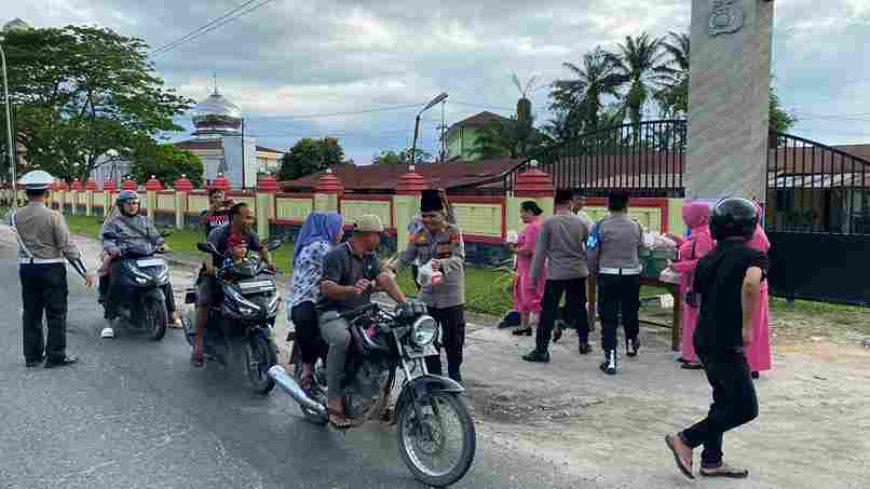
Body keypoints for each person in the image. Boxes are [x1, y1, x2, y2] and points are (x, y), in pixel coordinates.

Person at [665, 198, 767, 480]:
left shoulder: (708, 259)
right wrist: (747, 327)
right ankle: (686, 439)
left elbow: (697, 297)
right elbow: (750, 283)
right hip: (726, 341)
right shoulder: (753, 256)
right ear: (750, 227)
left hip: (704, 338)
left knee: (723, 400)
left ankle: (712, 461)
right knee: (745, 407)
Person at [318, 215, 406, 428]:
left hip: (362, 313)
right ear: (368, 236)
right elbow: (326, 287)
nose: (380, 240)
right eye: (378, 236)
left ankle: (382, 396)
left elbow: (384, 278)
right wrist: (351, 289)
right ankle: (333, 398)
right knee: (342, 339)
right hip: (334, 313)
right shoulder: (337, 255)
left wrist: (405, 304)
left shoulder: (370, 256)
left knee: (391, 338)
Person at [9, 171, 94, 368]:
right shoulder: (54, 216)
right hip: (51, 269)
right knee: (56, 313)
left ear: (26, 193)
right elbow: (67, 246)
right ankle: (56, 355)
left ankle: (32, 356)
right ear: (47, 192)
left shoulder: (14, 216)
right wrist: (84, 271)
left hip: (27, 269)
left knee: (31, 312)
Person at [192, 202, 275, 366]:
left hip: (239, 274)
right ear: (235, 217)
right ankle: (199, 342)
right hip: (216, 274)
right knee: (206, 300)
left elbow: (262, 249)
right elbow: (208, 252)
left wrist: (270, 263)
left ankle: (263, 336)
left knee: (262, 295)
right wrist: (211, 268)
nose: (251, 221)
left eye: (252, 218)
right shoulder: (219, 233)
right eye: (248, 217)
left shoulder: (249, 233)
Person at [397, 189, 467, 382]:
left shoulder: (453, 232)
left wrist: (440, 264)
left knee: (453, 339)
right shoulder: (419, 235)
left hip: (451, 294)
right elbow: (406, 257)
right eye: (424, 215)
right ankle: (434, 375)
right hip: (428, 294)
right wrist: (390, 270)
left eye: (432, 215)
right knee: (426, 335)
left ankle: (454, 373)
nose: (427, 219)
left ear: (443, 213)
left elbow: (458, 259)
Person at [522, 189, 591, 363]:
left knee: (548, 311)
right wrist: (589, 267)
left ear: (555, 203)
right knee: (580, 308)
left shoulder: (548, 223)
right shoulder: (581, 223)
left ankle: (541, 350)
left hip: (556, 274)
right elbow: (590, 248)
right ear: (570, 203)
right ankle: (584, 342)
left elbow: (540, 253)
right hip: (578, 272)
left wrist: (533, 277)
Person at [99, 190, 175, 339]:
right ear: (122, 206)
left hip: (147, 258)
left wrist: (162, 244)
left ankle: (172, 314)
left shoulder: (145, 221)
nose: (133, 206)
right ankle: (109, 322)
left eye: (135, 203)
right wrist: (112, 248)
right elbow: (107, 240)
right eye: (129, 203)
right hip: (124, 258)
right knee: (116, 283)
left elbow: (155, 237)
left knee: (164, 280)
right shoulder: (114, 223)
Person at [588, 190, 645, 375]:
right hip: (631, 274)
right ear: (627, 204)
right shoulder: (636, 225)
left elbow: (591, 251)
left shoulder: (599, 225)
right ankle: (630, 342)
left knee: (608, 317)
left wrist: (593, 271)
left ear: (608, 205)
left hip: (608, 274)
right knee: (630, 311)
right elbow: (640, 249)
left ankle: (610, 358)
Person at [287, 212, 343, 391]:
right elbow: (342, 266)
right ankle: (308, 371)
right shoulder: (320, 246)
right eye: (339, 228)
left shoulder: (318, 245)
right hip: (308, 299)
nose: (342, 232)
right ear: (329, 228)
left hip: (322, 297)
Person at [667, 201, 716, 369]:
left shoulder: (704, 235)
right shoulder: (696, 232)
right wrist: (678, 241)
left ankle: (698, 356)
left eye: (686, 215)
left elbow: (703, 261)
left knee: (696, 320)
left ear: (699, 216)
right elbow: (690, 249)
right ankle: (689, 352)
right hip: (690, 282)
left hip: (698, 283)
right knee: (689, 318)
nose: (684, 218)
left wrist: (678, 266)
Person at [509, 201, 545, 336]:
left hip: (530, 268)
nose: (521, 215)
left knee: (531, 297)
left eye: (522, 212)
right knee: (524, 295)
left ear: (530, 212)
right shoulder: (537, 225)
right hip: (528, 267)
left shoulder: (533, 227)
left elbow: (529, 250)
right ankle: (524, 326)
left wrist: (514, 249)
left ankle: (542, 327)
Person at [408, 189, 456, 290]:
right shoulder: (417, 220)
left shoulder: (443, 218)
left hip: (439, 263)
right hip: (421, 264)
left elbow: (451, 223)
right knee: (424, 291)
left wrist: (446, 202)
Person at [745, 202, 772, 378]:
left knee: (752, 325)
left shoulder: (754, 234)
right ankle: (752, 364)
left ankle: (751, 364)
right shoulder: (754, 231)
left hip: (753, 283)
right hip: (754, 282)